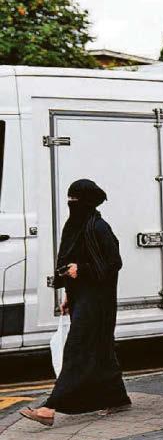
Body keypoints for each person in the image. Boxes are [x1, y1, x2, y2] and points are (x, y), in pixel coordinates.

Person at [20, 180, 131, 426]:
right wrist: (69, 295)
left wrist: (82, 269)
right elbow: (70, 261)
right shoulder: (76, 226)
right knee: (101, 350)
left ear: (88, 202)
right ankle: (117, 397)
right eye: (69, 200)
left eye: (76, 200)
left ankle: (50, 408)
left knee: (77, 351)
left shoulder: (98, 227)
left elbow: (114, 263)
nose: (72, 204)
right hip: (82, 297)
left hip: (98, 300)